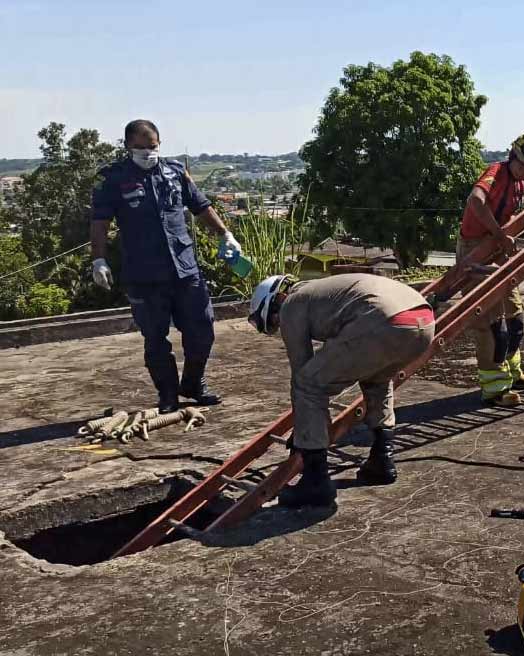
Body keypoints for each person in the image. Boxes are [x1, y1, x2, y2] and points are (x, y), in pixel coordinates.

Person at [91, 119, 241, 413]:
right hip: (143, 273)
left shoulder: (175, 172)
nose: (148, 152)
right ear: (128, 146)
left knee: (202, 328)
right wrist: (98, 259)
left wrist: (225, 235)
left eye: (153, 146)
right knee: (155, 338)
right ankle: (168, 394)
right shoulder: (112, 179)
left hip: (185, 268)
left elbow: (201, 206)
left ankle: (193, 383)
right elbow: (99, 222)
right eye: (140, 147)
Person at [248, 273, 435, 507]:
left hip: (383, 320)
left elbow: (301, 371)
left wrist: (305, 432)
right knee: (377, 378)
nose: (279, 324)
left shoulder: (292, 303)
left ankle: (316, 482)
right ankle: (382, 460)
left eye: (273, 320)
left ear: (276, 300)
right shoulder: (322, 291)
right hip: (423, 321)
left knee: (308, 384)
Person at [456, 132, 524, 407]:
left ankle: (513, 374)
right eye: (523, 165)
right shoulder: (496, 173)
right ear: (514, 155)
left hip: (495, 251)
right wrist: (499, 234)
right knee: (491, 324)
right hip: (474, 250)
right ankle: (495, 388)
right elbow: (475, 201)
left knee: (514, 319)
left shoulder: (519, 185)